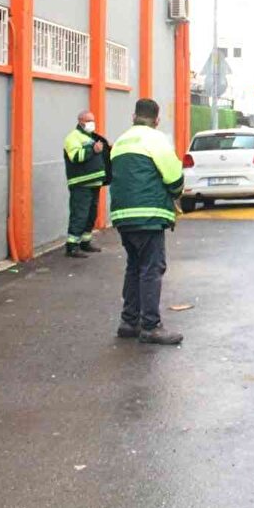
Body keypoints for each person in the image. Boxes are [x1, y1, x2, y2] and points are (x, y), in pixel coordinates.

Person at [109, 98, 185, 345]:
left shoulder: (120, 141)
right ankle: (151, 326)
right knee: (151, 268)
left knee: (134, 267)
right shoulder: (155, 139)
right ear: (157, 120)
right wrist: (175, 194)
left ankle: (129, 322)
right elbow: (174, 178)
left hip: (122, 216)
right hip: (148, 215)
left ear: (133, 117)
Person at [62, 110, 111, 258]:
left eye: (93, 120)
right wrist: (93, 149)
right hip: (81, 183)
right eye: (89, 121)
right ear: (81, 121)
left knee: (91, 214)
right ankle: (72, 246)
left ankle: (85, 242)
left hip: (94, 182)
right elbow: (76, 156)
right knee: (80, 214)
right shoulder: (73, 137)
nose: (92, 124)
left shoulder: (90, 136)